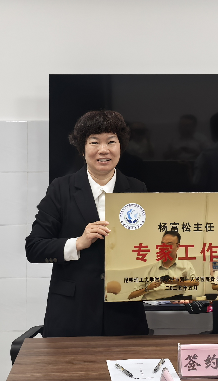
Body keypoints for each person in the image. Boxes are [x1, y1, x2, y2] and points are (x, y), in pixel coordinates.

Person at [25, 110, 149, 337]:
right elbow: (34, 247)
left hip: (125, 313)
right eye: (94, 142)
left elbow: (150, 244)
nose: (104, 149)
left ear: (121, 146)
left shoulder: (137, 189)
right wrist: (77, 243)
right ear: (82, 148)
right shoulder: (61, 189)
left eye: (111, 141)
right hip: (72, 312)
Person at [127, 230, 200, 300]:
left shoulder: (185, 265)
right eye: (162, 244)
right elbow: (131, 296)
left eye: (169, 244)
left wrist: (176, 281)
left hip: (175, 302)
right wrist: (148, 288)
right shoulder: (151, 270)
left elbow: (196, 282)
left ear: (177, 246)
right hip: (152, 303)